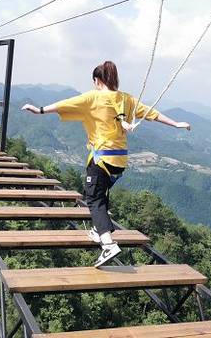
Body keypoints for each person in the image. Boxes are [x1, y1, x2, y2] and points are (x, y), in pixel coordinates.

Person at [22, 61, 191, 267]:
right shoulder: (127, 99)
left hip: (101, 160)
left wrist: (38, 110)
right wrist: (176, 124)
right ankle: (98, 229)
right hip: (119, 163)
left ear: (97, 80)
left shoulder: (93, 97)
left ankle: (108, 244)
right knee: (100, 195)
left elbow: (64, 104)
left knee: (93, 199)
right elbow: (151, 113)